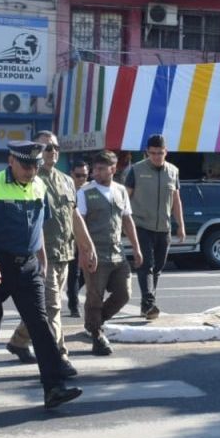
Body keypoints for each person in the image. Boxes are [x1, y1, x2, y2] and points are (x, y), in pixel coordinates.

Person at [0, 140, 83, 408]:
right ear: (11, 161)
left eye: (35, 166)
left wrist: (42, 259)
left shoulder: (39, 186)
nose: (31, 171)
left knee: (40, 324)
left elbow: (38, 225)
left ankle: (54, 388)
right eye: (26, 166)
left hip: (28, 265)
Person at [4, 132, 97, 376]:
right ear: (36, 151)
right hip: (39, 256)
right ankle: (60, 357)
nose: (52, 151)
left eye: (55, 147)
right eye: (46, 147)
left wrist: (87, 246)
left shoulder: (67, 180)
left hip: (64, 253)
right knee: (52, 307)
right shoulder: (30, 180)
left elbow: (75, 216)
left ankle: (18, 341)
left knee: (43, 309)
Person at [78, 150, 143, 356]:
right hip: (95, 253)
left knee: (124, 293)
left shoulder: (121, 190)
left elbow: (127, 220)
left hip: (117, 252)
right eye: (94, 169)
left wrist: (137, 248)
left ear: (113, 169)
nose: (95, 173)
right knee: (94, 297)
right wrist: (83, 252)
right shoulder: (85, 192)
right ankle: (97, 335)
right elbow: (78, 225)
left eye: (100, 169)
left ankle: (94, 323)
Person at [126, 134, 186, 319]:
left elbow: (176, 200)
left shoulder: (173, 171)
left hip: (163, 227)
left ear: (166, 152)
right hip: (141, 225)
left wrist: (180, 226)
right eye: (153, 153)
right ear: (147, 153)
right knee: (146, 265)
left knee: (158, 267)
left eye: (160, 153)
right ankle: (149, 303)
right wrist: (123, 223)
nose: (157, 157)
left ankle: (147, 305)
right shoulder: (136, 170)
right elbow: (125, 197)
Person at [65, 160, 90, 318]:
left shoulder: (90, 189)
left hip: (88, 236)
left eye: (85, 175)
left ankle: (72, 291)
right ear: (71, 174)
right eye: (78, 175)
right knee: (74, 272)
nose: (81, 179)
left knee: (89, 270)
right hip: (70, 237)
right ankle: (74, 305)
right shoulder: (66, 189)